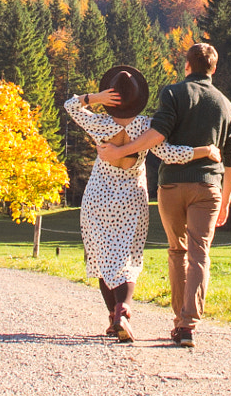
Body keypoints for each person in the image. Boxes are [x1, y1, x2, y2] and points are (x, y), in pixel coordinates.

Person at [101, 43, 231, 347]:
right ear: (213, 70)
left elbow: (157, 135)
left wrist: (120, 151)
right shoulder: (227, 106)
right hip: (209, 188)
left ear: (187, 66)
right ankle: (188, 325)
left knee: (178, 251)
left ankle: (178, 319)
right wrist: (226, 201)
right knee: (200, 253)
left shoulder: (173, 93)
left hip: (172, 187)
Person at [61, 64, 206, 342]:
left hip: (98, 197)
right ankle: (123, 312)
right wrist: (204, 151)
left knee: (103, 256)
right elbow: (170, 154)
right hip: (131, 198)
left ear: (112, 96)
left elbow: (70, 106)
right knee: (127, 255)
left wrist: (95, 98)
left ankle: (114, 317)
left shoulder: (100, 123)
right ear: (138, 98)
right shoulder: (147, 126)